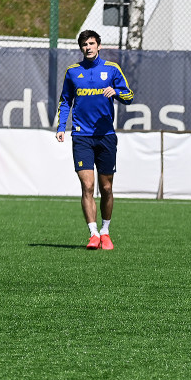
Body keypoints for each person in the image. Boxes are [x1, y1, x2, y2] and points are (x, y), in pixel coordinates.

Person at [56, 30, 134, 250]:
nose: (87, 47)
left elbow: (129, 95)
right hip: (81, 136)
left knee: (106, 187)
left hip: (106, 136)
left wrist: (116, 92)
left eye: (91, 43)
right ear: (80, 48)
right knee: (87, 186)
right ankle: (93, 234)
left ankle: (105, 231)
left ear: (99, 45)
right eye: (83, 44)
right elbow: (65, 101)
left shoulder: (111, 69)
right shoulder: (73, 72)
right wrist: (62, 127)